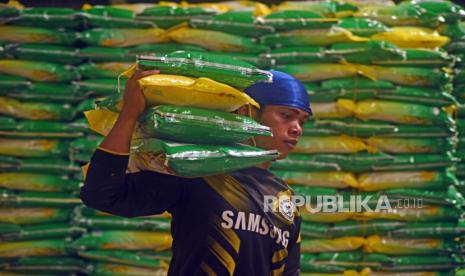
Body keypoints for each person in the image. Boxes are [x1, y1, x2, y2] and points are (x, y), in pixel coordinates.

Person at [80, 68, 312, 276]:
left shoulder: (285, 199)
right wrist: (130, 115)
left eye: (302, 121)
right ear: (248, 112)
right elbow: (102, 194)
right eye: (287, 116)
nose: (297, 129)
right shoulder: (198, 172)